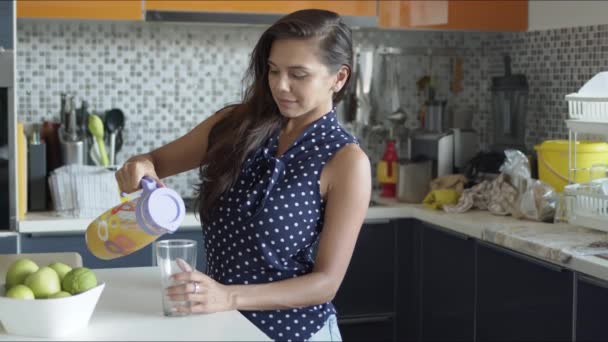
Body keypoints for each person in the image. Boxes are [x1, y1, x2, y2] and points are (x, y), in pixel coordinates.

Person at [115, 9, 371, 341]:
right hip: (221, 326)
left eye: (299, 74)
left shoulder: (346, 161)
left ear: (338, 78)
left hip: (296, 333)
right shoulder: (234, 124)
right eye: (273, 70)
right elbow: (153, 161)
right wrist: (139, 167)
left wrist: (228, 296)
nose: (281, 85)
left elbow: (326, 283)